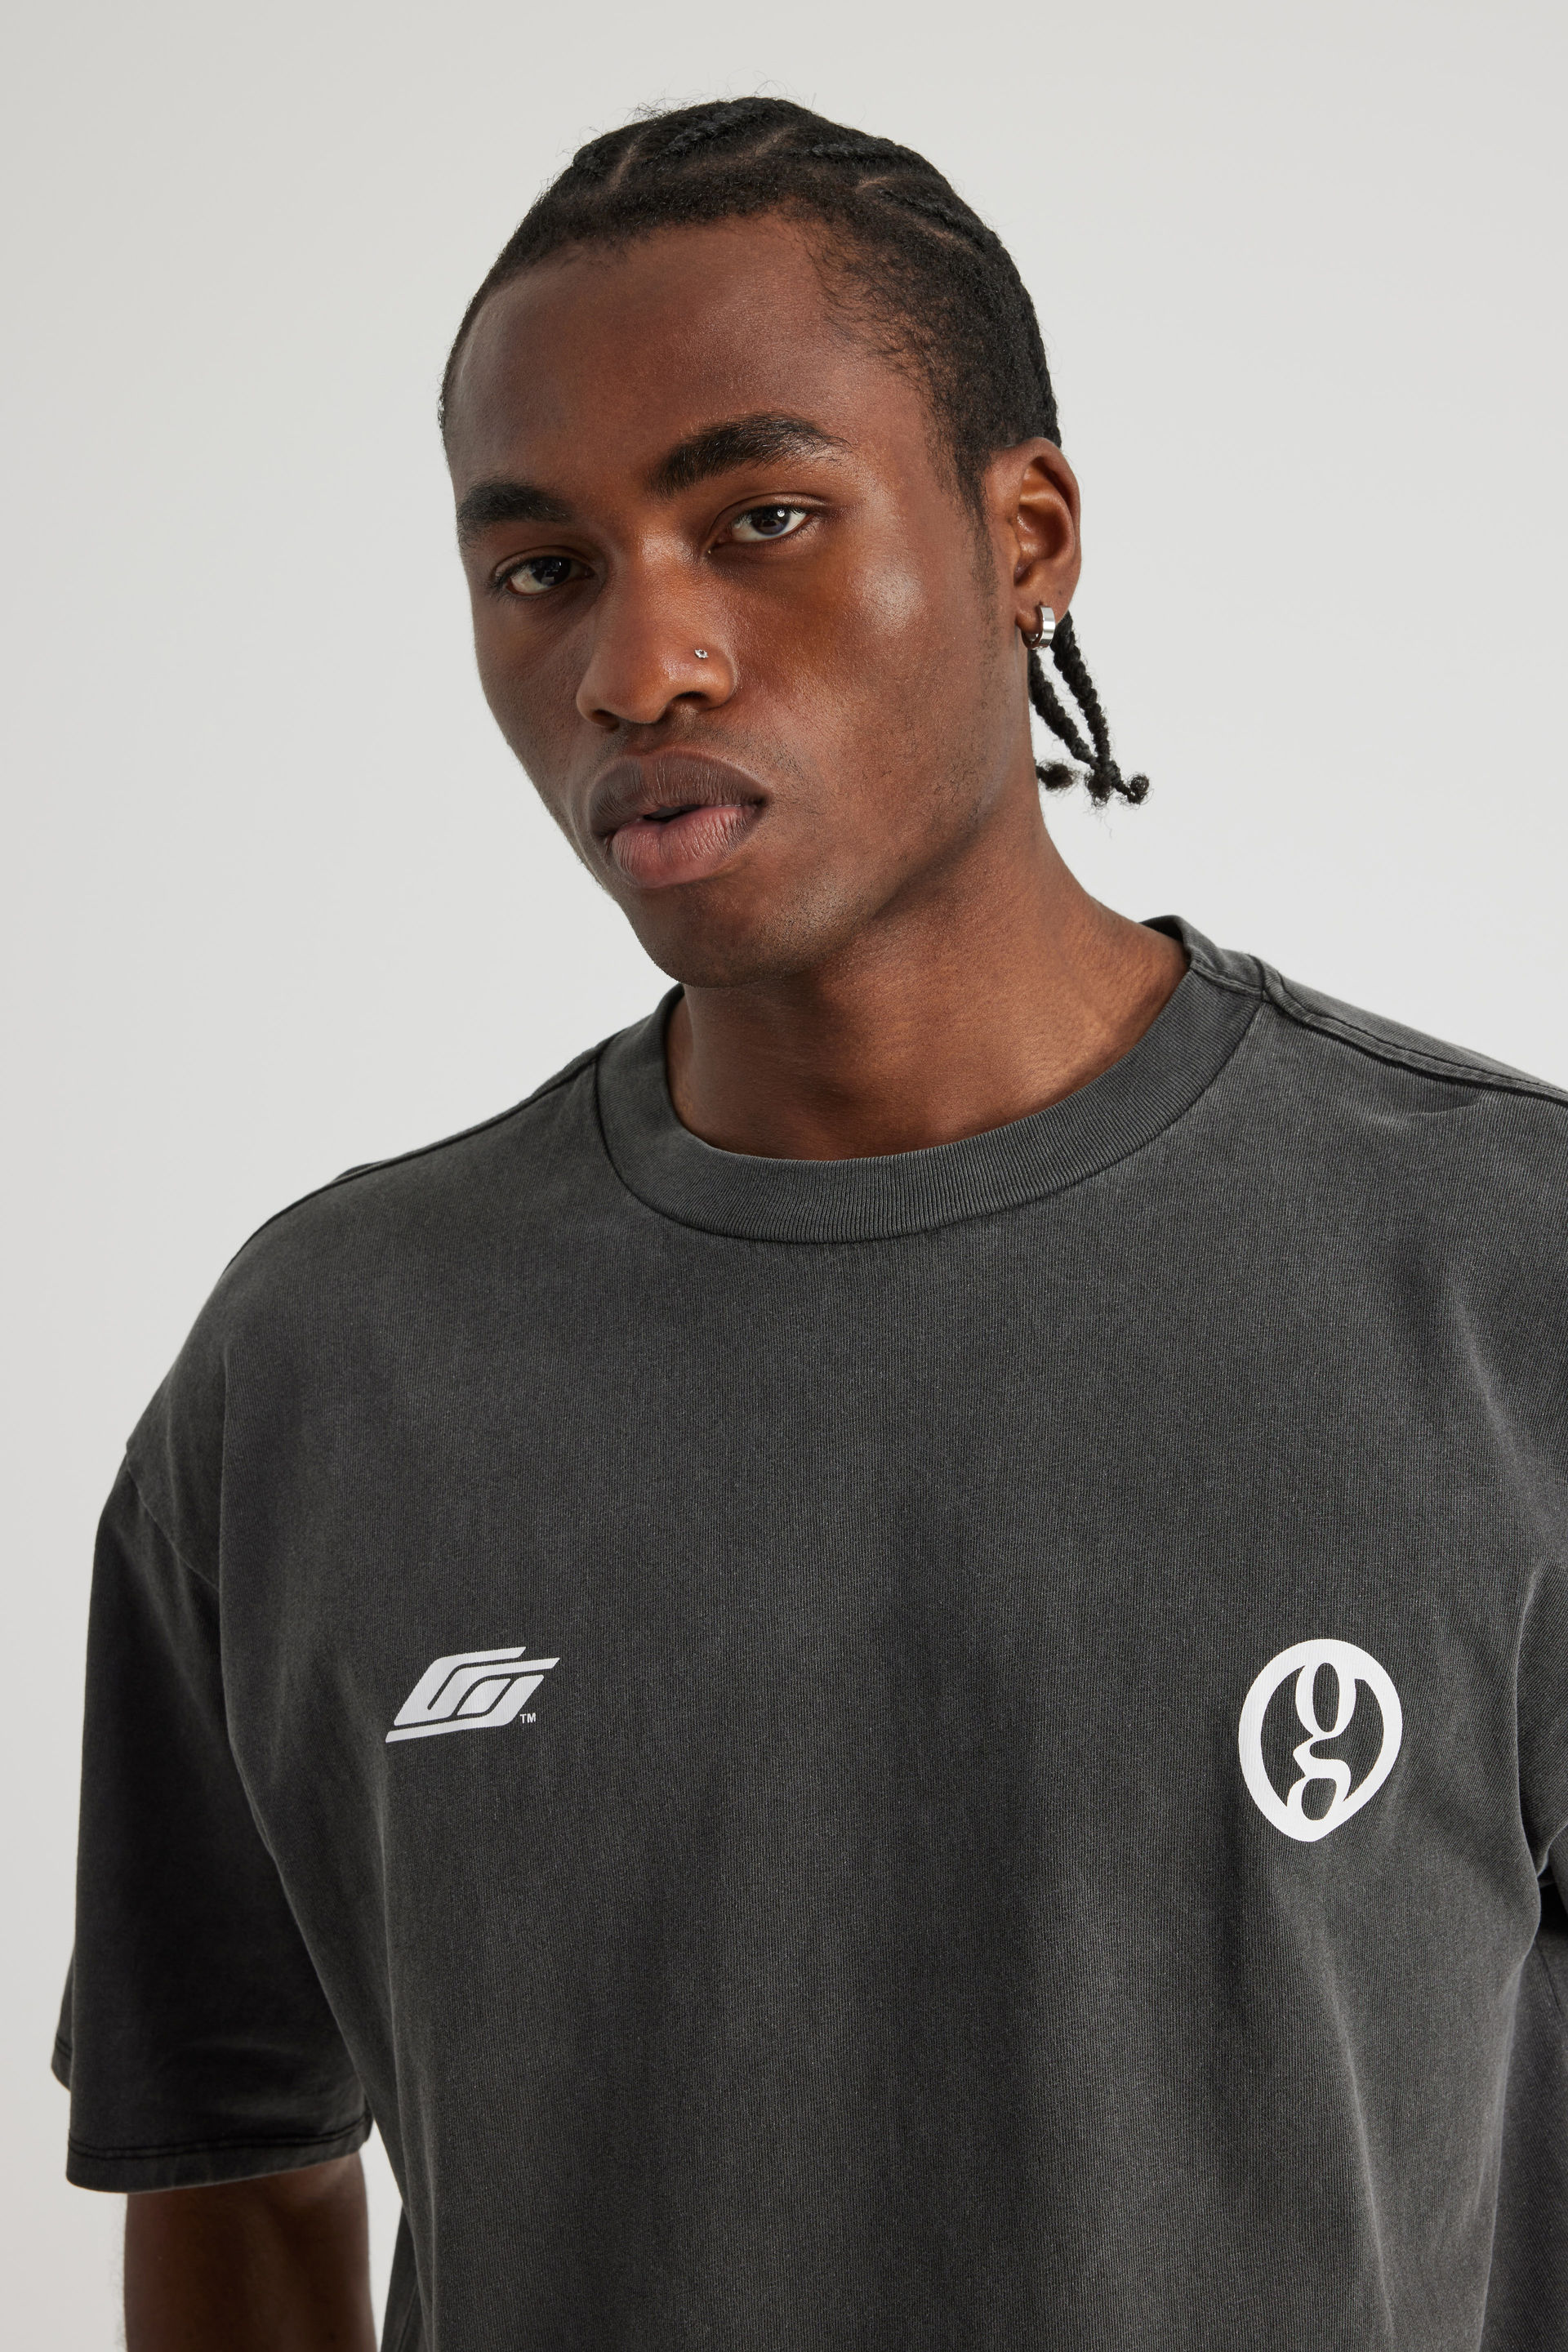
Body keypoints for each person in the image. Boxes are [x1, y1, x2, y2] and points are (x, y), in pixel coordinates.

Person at [55, 96, 1568, 2352]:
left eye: (759, 519)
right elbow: (238, 2169)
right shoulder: (321, 1367)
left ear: (1026, 533)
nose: (637, 666)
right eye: (541, 567)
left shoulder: (1506, 1282)